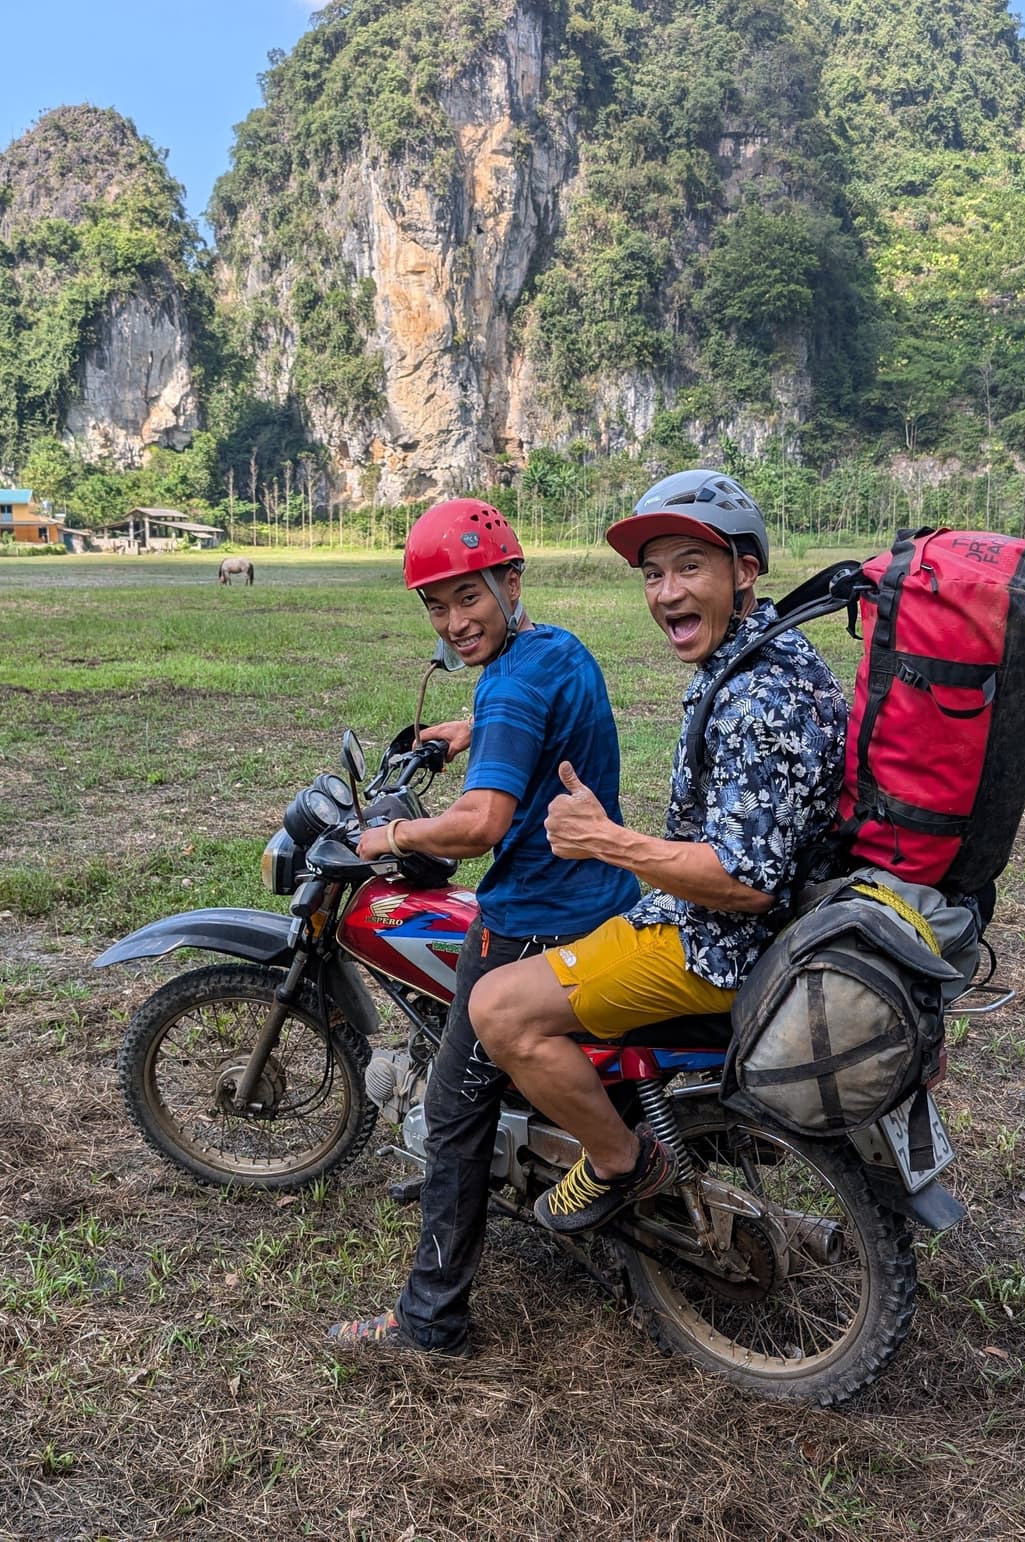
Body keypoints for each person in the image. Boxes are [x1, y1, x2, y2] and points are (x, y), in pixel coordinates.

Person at [471, 469, 849, 1234]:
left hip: (722, 947)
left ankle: (621, 1159)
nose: (667, 593)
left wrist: (606, 841)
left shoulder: (755, 698)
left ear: (745, 571)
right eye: (652, 574)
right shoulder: (766, 657)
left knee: (497, 1009)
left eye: (689, 566)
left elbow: (743, 883)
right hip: (743, 926)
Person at [328, 497, 639, 1355]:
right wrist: (475, 727)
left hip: (531, 920)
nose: (455, 621)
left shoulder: (513, 679)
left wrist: (387, 835)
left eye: (470, 597)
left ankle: (429, 1319)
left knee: (452, 1112)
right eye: (436, 605)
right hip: (599, 902)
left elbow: (480, 826)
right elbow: (539, 714)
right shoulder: (557, 649)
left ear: (510, 579)